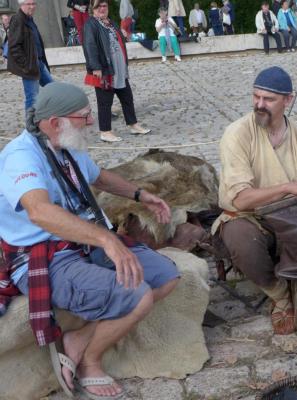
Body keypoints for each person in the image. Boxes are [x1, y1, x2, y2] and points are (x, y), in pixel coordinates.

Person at [0, 81, 180, 399]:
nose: (92, 121)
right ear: (55, 122)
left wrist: (141, 194)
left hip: (83, 243)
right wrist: (107, 241)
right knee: (138, 295)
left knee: (166, 277)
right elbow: (39, 211)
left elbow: (97, 176)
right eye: (84, 115)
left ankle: (78, 340)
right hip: (42, 255)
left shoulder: (64, 143)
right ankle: (90, 362)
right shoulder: (21, 157)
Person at [213, 66, 297, 335]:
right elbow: (240, 200)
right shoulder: (237, 133)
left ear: (288, 100)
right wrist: (288, 186)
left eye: (268, 99)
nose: (259, 105)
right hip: (247, 217)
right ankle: (280, 294)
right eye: (256, 97)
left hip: (290, 216)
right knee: (241, 238)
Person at [83, 0, 150, 143]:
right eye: (99, 6)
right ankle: (105, 132)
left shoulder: (111, 23)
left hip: (119, 69)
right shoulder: (91, 24)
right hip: (105, 69)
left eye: (104, 6)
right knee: (105, 102)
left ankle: (133, 125)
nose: (102, 8)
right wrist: (96, 67)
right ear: (93, 9)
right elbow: (90, 46)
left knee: (127, 98)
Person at [7, 0, 53, 112]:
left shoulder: (29, 19)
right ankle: (31, 127)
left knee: (53, 89)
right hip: (30, 66)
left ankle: (48, 116)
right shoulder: (18, 19)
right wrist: (26, 65)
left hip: (39, 63)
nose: (32, 7)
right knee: (32, 98)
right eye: (29, 4)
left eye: (34, 4)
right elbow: (14, 47)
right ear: (21, 5)